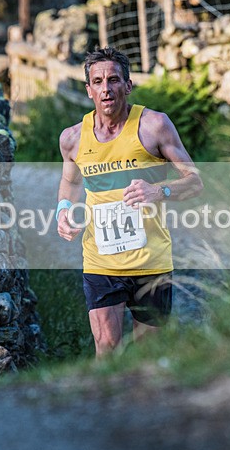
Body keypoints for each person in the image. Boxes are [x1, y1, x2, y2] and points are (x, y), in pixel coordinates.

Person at [56, 47, 203, 358]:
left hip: (151, 259)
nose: (106, 89)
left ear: (127, 85)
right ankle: (104, 405)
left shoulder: (154, 126)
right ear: (88, 90)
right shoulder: (72, 138)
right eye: (97, 82)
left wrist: (158, 191)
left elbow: (194, 181)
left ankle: (145, 404)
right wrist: (63, 211)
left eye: (113, 80)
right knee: (106, 346)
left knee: (148, 352)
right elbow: (70, 182)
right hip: (101, 259)